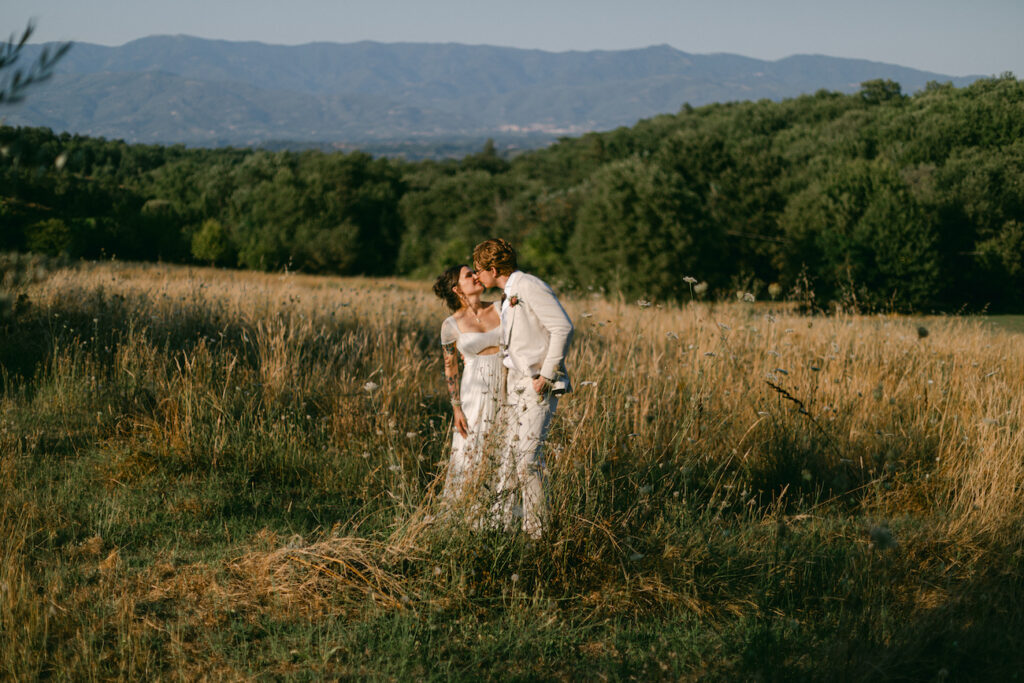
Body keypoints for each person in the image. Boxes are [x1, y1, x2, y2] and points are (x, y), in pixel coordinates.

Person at [472, 238, 573, 538]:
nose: (477, 276)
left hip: (536, 384)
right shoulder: (509, 294)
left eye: (479, 270)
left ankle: (538, 534)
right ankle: (501, 526)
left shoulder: (528, 285)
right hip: (514, 384)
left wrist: (546, 374)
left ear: (493, 268)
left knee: (528, 460)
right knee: (510, 459)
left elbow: (563, 327)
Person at [432, 264, 503, 506]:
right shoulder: (450, 325)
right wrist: (456, 408)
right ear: (457, 288)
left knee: (506, 446)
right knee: (473, 449)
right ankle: (470, 511)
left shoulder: (501, 307)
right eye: (468, 275)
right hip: (475, 389)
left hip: (508, 383)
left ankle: (504, 514)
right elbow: (450, 367)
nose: (475, 275)